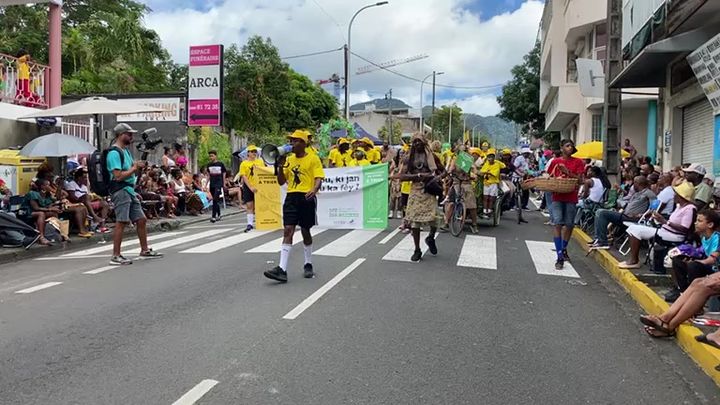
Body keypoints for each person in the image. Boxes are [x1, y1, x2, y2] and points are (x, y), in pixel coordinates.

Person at [264, 130, 324, 283]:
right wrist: (279, 167)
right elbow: (281, 181)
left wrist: (314, 189)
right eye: (291, 141)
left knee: (305, 230)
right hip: (291, 197)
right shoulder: (289, 160)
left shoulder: (313, 158)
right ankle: (282, 269)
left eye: (296, 141)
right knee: (288, 230)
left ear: (303, 143)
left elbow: (318, 177)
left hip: (306, 197)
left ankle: (308, 262)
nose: (292, 143)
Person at [106, 123, 162, 265]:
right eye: (129, 134)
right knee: (122, 221)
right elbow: (118, 176)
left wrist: (139, 168)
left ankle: (144, 250)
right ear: (120, 135)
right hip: (120, 190)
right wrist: (134, 168)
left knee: (141, 219)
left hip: (129, 190)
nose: (131, 137)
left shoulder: (126, 152)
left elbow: (132, 171)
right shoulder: (114, 153)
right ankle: (116, 255)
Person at [618, 181, 696, 269]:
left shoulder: (689, 209)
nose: (674, 196)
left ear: (682, 197)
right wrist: (660, 219)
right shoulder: (679, 206)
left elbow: (685, 228)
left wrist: (665, 221)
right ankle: (634, 259)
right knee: (632, 228)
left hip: (675, 236)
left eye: (676, 194)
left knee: (636, 230)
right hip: (665, 231)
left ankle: (634, 260)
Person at [399, 133, 444, 262]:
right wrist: (418, 176)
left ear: (424, 143)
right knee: (415, 222)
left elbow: (443, 171)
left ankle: (430, 237)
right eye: (415, 142)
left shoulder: (432, 157)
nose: (417, 144)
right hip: (415, 191)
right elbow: (402, 176)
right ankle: (417, 249)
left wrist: (436, 178)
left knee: (434, 219)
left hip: (429, 190)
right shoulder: (409, 158)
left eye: (419, 141)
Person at [664, 209, 720, 302]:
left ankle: (695, 299)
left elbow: (712, 259)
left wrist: (696, 262)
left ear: (710, 225)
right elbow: (702, 253)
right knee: (678, 260)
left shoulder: (717, 237)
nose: (695, 223)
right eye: (696, 220)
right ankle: (683, 292)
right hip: (708, 264)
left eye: (699, 221)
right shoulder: (703, 237)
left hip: (716, 268)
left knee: (693, 266)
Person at [545, 139, 585, 269]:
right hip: (557, 195)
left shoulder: (578, 162)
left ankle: (563, 248)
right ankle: (559, 256)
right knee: (557, 223)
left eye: (571, 146)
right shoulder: (555, 162)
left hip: (571, 196)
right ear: (561, 148)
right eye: (567, 146)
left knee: (569, 224)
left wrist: (567, 172)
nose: (570, 148)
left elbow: (580, 181)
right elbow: (549, 177)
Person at [589, 176, 656, 250]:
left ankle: (602, 242)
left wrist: (641, 215)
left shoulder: (649, 194)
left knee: (602, 213)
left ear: (639, 184)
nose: (633, 185)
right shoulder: (637, 193)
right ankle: (598, 239)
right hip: (625, 215)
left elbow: (653, 209)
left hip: (633, 218)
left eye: (635, 183)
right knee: (599, 211)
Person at [20, 179, 60, 246]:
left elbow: (49, 205)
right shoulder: (32, 193)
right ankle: (41, 237)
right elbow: (36, 208)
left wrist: (54, 207)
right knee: (41, 214)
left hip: (38, 212)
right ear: (42, 187)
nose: (50, 187)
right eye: (47, 185)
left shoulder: (47, 195)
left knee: (54, 213)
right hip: (26, 212)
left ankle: (55, 234)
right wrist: (50, 209)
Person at [239, 145, 265, 232]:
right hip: (248, 186)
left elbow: (264, 172)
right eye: (252, 151)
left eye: (255, 151)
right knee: (249, 205)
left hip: (259, 185)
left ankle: (260, 221)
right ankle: (249, 224)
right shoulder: (244, 163)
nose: (254, 153)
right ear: (248, 153)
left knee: (259, 205)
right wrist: (250, 187)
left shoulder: (260, 162)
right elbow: (244, 176)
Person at [479, 149, 505, 218]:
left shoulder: (497, 164)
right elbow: (482, 172)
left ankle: (490, 211)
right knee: (485, 197)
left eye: (491, 157)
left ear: (494, 157)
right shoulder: (486, 163)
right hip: (486, 183)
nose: (490, 158)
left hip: (493, 184)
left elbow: (495, 173)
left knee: (491, 198)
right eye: (489, 157)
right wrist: (487, 172)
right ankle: (485, 211)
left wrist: (487, 172)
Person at [206, 150, 227, 223]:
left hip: (219, 183)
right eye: (210, 156)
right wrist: (206, 183)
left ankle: (213, 216)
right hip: (212, 183)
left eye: (212, 156)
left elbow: (224, 173)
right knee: (215, 200)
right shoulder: (209, 165)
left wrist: (224, 183)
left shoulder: (220, 164)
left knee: (215, 199)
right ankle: (219, 214)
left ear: (215, 156)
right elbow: (208, 175)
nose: (211, 157)